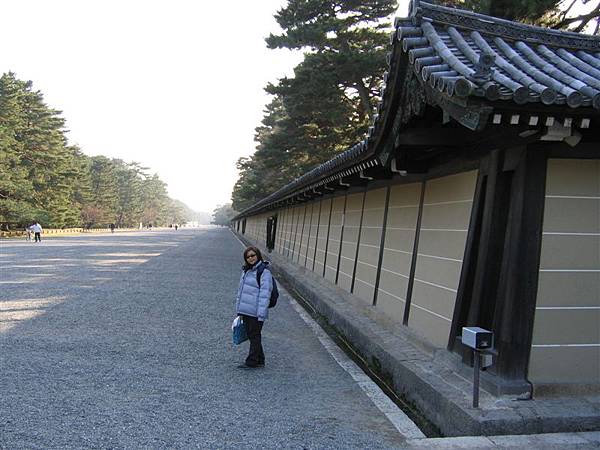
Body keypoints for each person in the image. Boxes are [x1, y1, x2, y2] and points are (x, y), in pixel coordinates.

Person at [235, 246, 273, 369]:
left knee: (254, 335)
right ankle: (260, 359)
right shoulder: (247, 270)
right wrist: (239, 309)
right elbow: (241, 292)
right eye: (248, 256)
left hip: (255, 311)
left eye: (253, 255)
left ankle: (252, 361)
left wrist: (261, 314)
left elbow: (265, 294)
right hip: (246, 310)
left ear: (258, 256)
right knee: (253, 335)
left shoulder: (264, 272)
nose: (251, 258)